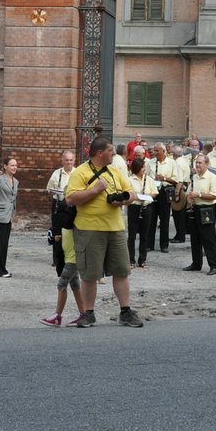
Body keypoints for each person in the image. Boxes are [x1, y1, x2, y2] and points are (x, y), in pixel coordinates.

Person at [64, 135, 143, 327]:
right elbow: (70, 199)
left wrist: (123, 200)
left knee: (121, 271)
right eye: (110, 150)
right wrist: (94, 190)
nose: (113, 153)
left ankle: (125, 311)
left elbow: (131, 193)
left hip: (115, 229)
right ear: (99, 153)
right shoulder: (80, 172)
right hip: (89, 230)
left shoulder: (115, 171)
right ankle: (88, 313)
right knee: (90, 274)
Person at [41, 225, 86, 327]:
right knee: (75, 284)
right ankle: (83, 313)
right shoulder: (64, 221)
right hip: (69, 257)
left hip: (73, 258)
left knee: (62, 284)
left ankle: (57, 316)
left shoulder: (73, 220)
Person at [184, 152, 216, 275]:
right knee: (195, 238)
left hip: (207, 210)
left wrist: (199, 195)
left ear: (207, 164)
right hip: (195, 209)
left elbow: (214, 195)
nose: (197, 165)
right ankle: (196, 263)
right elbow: (189, 192)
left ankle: (214, 266)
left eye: (200, 163)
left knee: (209, 239)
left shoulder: (212, 177)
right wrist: (188, 198)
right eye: (197, 162)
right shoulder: (194, 177)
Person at [45, 149, 76, 275]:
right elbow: (48, 189)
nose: (68, 162)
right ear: (62, 161)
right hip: (58, 204)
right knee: (57, 231)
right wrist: (56, 190)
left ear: (74, 161)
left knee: (72, 231)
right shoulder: (56, 173)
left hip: (72, 206)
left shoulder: (78, 173)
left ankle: (71, 258)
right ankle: (57, 259)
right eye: (66, 160)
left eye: (71, 160)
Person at [126, 155, 159, 268]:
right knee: (132, 235)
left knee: (145, 235)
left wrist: (143, 195)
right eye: (142, 167)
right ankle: (131, 260)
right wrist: (141, 196)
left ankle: (142, 259)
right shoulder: (129, 180)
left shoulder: (148, 179)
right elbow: (130, 195)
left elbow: (154, 193)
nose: (144, 169)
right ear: (137, 168)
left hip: (146, 209)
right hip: (134, 208)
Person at [0, 156, 18, 277]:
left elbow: (13, 199)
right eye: (12, 165)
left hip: (9, 216)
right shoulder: (0, 179)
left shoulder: (16, 181)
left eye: (16, 165)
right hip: (0, 216)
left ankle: (2, 269)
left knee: (4, 244)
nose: (14, 167)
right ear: (5, 166)